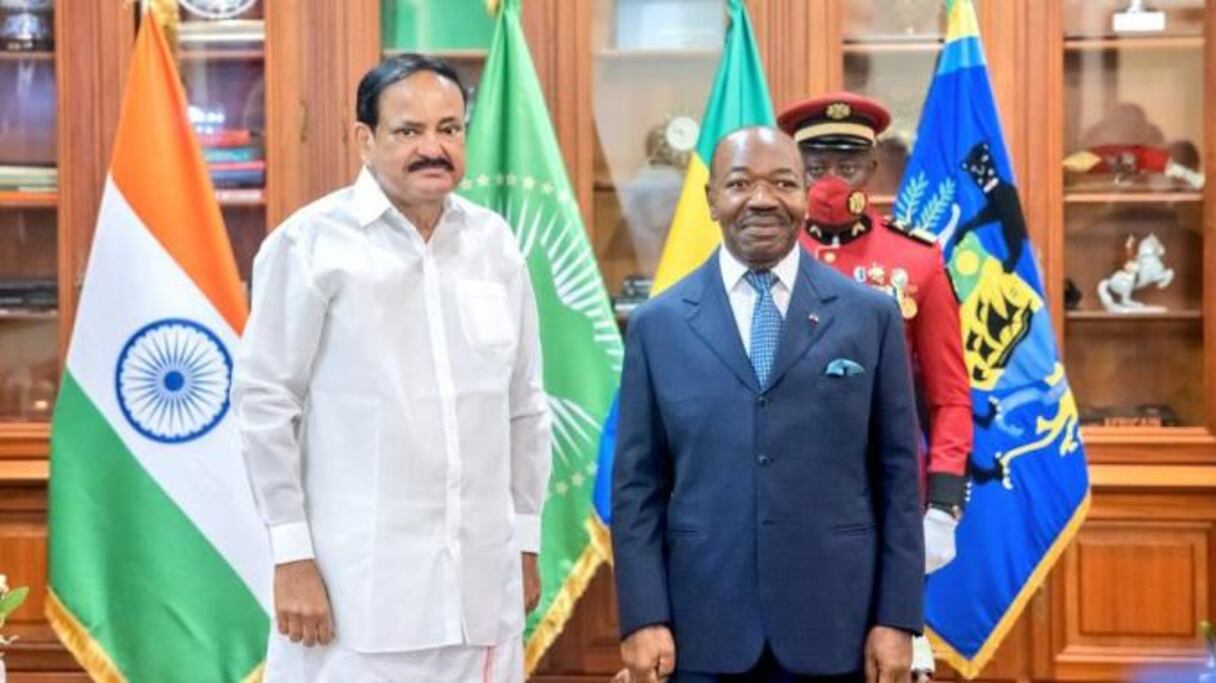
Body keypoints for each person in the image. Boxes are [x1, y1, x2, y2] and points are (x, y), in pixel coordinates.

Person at [233, 54, 551, 682]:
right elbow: (264, 407)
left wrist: (526, 539)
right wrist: (290, 556)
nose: (433, 148)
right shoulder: (310, 246)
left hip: (482, 594)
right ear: (365, 140)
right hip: (354, 600)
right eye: (409, 132)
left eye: (450, 129)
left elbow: (525, 407)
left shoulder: (495, 246)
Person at [611, 126, 923, 682]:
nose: (762, 200)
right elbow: (637, 489)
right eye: (739, 184)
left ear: (805, 195)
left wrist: (898, 618)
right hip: (698, 629)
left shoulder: (868, 317)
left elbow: (898, 476)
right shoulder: (657, 327)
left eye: (783, 183)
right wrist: (643, 617)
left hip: (838, 628)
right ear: (711, 200)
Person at [776, 92, 974, 680]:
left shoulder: (915, 261)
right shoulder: (768, 256)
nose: (831, 180)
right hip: (781, 497)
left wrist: (941, 505)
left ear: (873, 167)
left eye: (847, 164)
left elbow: (949, 395)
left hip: (883, 503)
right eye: (815, 166)